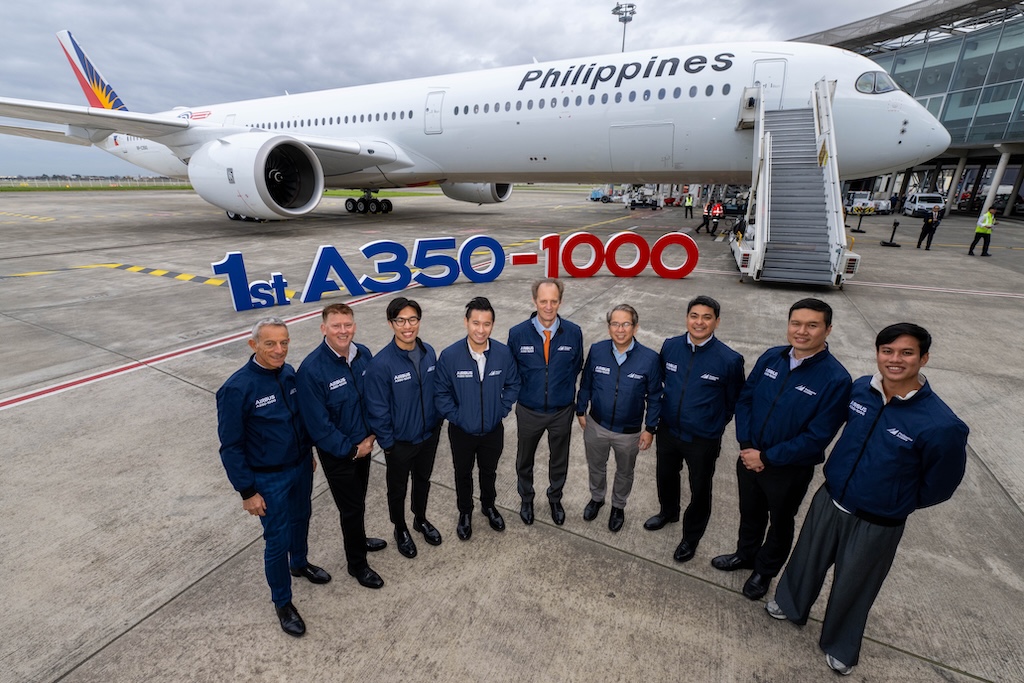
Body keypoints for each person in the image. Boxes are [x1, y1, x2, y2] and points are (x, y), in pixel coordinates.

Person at [766, 323, 968, 676]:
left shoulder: (941, 424)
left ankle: (839, 645)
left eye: (906, 353)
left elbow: (941, 485)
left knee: (855, 584)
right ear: (878, 353)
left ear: (924, 358)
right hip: (831, 498)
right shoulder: (862, 389)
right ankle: (790, 604)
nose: (895, 359)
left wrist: (894, 499)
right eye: (887, 351)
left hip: (878, 520)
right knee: (806, 559)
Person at [711, 298, 852, 602]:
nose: (802, 331)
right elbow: (746, 400)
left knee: (780, 522)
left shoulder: (836, 379)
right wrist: (747, 446)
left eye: (812, 325)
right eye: (796, 323)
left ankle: (765, 571)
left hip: (788, 469)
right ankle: (745, 555)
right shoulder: (771, 357)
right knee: (750, 513)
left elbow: (817, 436)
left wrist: (766, 457)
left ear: (828, 330)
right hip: (749, 456)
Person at [216, 317, 328, 638]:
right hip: (268, 479)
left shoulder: (289, 373)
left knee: (302, 517)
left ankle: (300, 563)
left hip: (300, 467)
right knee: (276, 540)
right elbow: (231, 446)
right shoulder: (237, 389)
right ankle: (283, 601)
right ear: (253, 345)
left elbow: (299, 420)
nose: (279, 350)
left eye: (284, 342)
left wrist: (308, 453)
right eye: (270, 344)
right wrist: (247, 491)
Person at [645, 296, 745, 565]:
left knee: (700, 488)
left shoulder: (729, 360)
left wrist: (712, 423)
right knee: (665, 475)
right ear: (687, 318)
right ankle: (668, 512)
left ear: (717, 322)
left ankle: (691, 537)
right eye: (694, 316)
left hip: (702, 439)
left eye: (706, 317)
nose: (699, 322)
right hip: (668, 430)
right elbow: (662, 382)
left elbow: (734, 401)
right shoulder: (670, 346)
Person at [296, 304, 387, 591]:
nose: (343, 330)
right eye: (336, 325)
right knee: (350, 507)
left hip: (365, 446)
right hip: (340, 454)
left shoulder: (363, 355)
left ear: (354, 326)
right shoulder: (311, 370)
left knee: (358, 501)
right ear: (323, 328)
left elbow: (373, 396)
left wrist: (371, 437)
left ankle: (358, 539)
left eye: (347, 324)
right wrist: (352, 450)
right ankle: (357, 564)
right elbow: (318, 425)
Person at [436, 297, 521, 541]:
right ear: (466, 322)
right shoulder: (450, 356)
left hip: (492, 429)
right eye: (476, 323)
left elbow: (513, 384)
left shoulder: (503, 354)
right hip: (461, 431)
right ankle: (465, 512)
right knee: (462, 473)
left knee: (489, 471)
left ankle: (488, 505)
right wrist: (458, 417)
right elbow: (440, 393)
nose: (481, 330)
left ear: (492, 325)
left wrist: (501, 409)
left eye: (486, 324)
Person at [364, 297, 443, 559]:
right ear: (391, 324)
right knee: (397, 489)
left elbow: (436, 390)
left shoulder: (429, 352)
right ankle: (400, 528)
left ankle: (420, 519)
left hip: (428, 435)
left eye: (412, 319)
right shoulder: (381, 364)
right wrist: (388, 444)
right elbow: (377, 409)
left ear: (419, 321)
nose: (407, 326)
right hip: (400, 443)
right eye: (400, 321)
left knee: (423, 480)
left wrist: (437, 421)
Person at [576, 304, 662, 532]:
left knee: (625, 472)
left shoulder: (650, 359)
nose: (620, 329)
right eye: (615, 324)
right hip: (596, 425)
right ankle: (597, 498)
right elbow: (586, 383)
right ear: (609, 327)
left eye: (625, 324)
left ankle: (618, 506)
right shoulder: (597, 350)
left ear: (635, 327)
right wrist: (580, 410)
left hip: (629, 432)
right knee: (596, 466)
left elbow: (655, 397)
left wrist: (650, 428)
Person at [508, 279, 584, 526]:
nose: (548, 307)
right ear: (534, 301)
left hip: (561, 411)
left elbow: (576, 366)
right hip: (529, 410)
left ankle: (555, 498)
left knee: (559, 459)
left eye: (553, 301)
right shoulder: (517, 333)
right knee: (525, 459)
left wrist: (560, 391)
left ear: (560, 302)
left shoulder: (573, 332)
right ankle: (526, 498)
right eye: (543, 301)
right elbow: (512, 371)